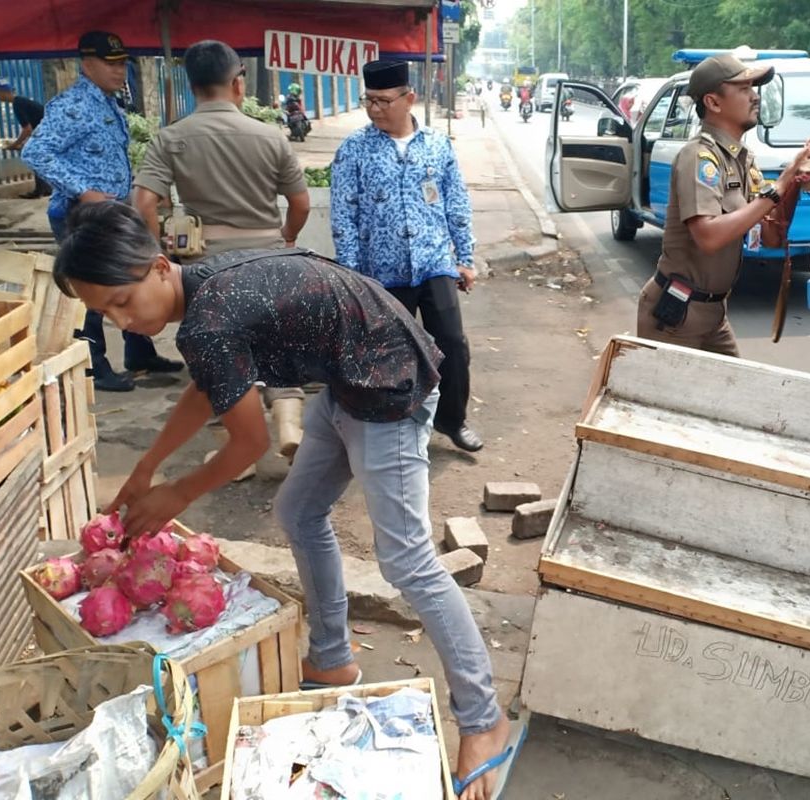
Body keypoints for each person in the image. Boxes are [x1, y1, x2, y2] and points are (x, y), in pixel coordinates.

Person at [53, 201, 515, 800]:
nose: (121, 320)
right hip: (349, 378)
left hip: (389, 383)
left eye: (121, 300)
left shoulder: (208, 319)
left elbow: (250, 443)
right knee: (298, 511)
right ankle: (332, 658)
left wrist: (176, 493)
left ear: (161, 267)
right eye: (102, 313)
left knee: (408, 562)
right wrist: (146, 468)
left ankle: (484, 718)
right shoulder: (204, 294)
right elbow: (208, 388)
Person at [131, 39, 312, 465]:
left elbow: (142, 203)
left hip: (204, 263)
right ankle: (287, 418)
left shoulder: (171, 138)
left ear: (193, 86)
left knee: (220, 353)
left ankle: (233, 452)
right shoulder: (271, 137)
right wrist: (285, 236)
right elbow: (300, 203)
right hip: (267, 258)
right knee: (274, 342)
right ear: (238, 83)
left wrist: (163, 250)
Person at [331, 60, 483, 452]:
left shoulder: (437, 145)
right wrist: (351, 275)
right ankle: (389, 426)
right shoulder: (355, 149)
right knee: (388, 355)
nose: (375, 109)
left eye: (383, 101)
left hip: (434, 264)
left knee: (452, 344)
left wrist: (464, 258)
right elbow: (343, 215)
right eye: (369, 101)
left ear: (408, 98)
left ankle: (452, 420)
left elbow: (456, 204)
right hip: (381, 274)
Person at [22, 30, 182, 392]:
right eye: (110, 64)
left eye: (122, 62)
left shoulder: (109, 101)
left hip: (112, 211)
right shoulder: (73, 105)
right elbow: (36, 153)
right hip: (81, 214)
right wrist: (85, 190)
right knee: (94, 289)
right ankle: (94, 366)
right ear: (87, 64)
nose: (119, 70)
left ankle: (139, 352)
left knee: (130, 277)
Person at [635, 54, 810, 355]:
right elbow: (709, 236)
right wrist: (777, 189)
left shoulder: (742, 161)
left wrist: (795, 180)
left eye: (754, 88)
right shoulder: (699, 157)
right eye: (744, 88)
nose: (755, 96)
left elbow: (771, 237)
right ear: (714, 103)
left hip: (714, 315)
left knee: (736, 395)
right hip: (677, 316)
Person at [0, 76, 51, 198]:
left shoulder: (18, 104)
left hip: (48, 132)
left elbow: (27, 129)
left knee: (34, 157)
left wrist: (15, 144)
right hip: (48, 132)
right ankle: (44, 189)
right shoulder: (21, 101)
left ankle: (41, 190)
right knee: (38, 158)